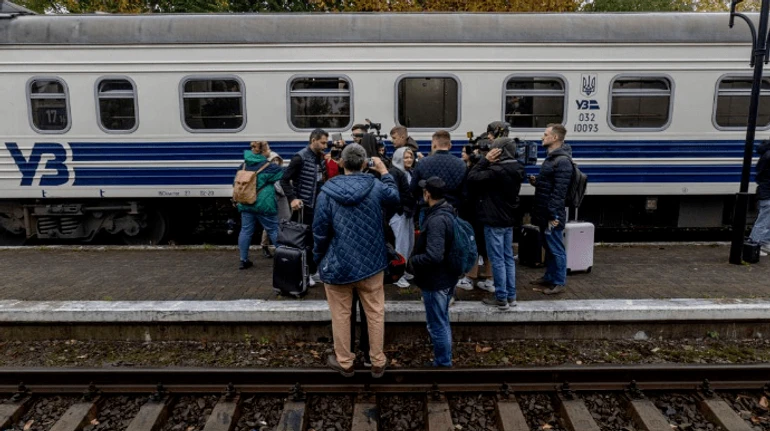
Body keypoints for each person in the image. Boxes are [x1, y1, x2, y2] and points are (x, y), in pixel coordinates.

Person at [313, 143, 400, 378]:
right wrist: (384, 171)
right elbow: (395, 199)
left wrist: (317, 258)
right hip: (372, 263)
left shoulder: (327, 191)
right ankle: (377, 361)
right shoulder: (375, 186)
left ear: (342, 163)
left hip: (338, 264)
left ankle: (345, 362)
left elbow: (320, 231)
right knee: (375, 312)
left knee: (341, 314)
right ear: (364, 164)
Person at [467, 138, 526, 310]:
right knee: (508, 258)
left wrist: (485, 161)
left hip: (494, 219)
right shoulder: (518, 168)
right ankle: (511, 295)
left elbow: (471, 178)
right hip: (508, 219)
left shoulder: (496, 171)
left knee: (497, 259)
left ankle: (501, 297)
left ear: (498, 152)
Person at [407, 176, 456, 367]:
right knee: (441, 319)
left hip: (436, 280)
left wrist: (413, 261)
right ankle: (444, 359)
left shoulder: (437, 219)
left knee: (437, 323)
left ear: (427, 193)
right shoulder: (448, 210)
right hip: (446, 276)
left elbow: (434, 255)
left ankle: (443, 363)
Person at [280, 129, 328, 285]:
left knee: (315, 240)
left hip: (317, 205)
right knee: (304, 241)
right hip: (305, 206)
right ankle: (304, 273)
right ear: (313, 140)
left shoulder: (320, 157)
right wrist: (293, 199)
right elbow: (284, 180)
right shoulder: (299, 157)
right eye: (322, 142)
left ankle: (313, 272)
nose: (325, 146)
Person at [529, 124, 572, 295]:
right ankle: (549, 277)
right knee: (548, 245)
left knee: (556, 247)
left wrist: (552, 214)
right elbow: (551, 184)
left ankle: (559, 281)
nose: (542, 137)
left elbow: (559, 192)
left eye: (545, 134)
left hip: (552, 213)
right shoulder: (552, 158)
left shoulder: (562, 161)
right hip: (545, 210)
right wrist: (537, 182)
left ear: (554, 138)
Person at [237, 141, 284, 270]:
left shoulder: (244, 165)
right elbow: (283, 175)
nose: (270, 150)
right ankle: (283, 259)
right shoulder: (269, 166)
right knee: (273, 230)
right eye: (268, 148)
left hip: (246, 202)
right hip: (264, 203)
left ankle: (243, 260)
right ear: (263, 151)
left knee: (246, 230)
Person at [409, 130, 466, 210]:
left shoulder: (422, 163)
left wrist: (422, 200)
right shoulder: (461, 164)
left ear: (434, 145)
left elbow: (413, 189)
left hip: (428, 208)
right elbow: (465, 193)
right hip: (452, 209)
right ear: (449, 145)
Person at [388, 147, 417, 288]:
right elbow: (394, 193)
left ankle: (403, 270)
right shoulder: (395, 172)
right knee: (400, 244)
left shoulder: (409, 172)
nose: (409, 160)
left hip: (408, 214)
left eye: (410, 156)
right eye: (405, 157)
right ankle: (397, 274)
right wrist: (400, 210)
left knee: (408, 242)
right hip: (399, 214)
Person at [260, 151, 291, 259]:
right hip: (272, 199)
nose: (276, 162)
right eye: (273, 160)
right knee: (270, 223)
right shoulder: (266, 172)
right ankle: (265, 245)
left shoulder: (280, 171)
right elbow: (279, 186)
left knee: (285, 220)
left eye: (277, 160)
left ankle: (284, 244)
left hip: (282, 199)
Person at [750, 140, 770, 256]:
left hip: (765, 191)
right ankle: (754, 244)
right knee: (763, 220)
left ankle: (764, 242)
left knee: (767, 219)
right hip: (767, 192)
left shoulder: (766, 154)